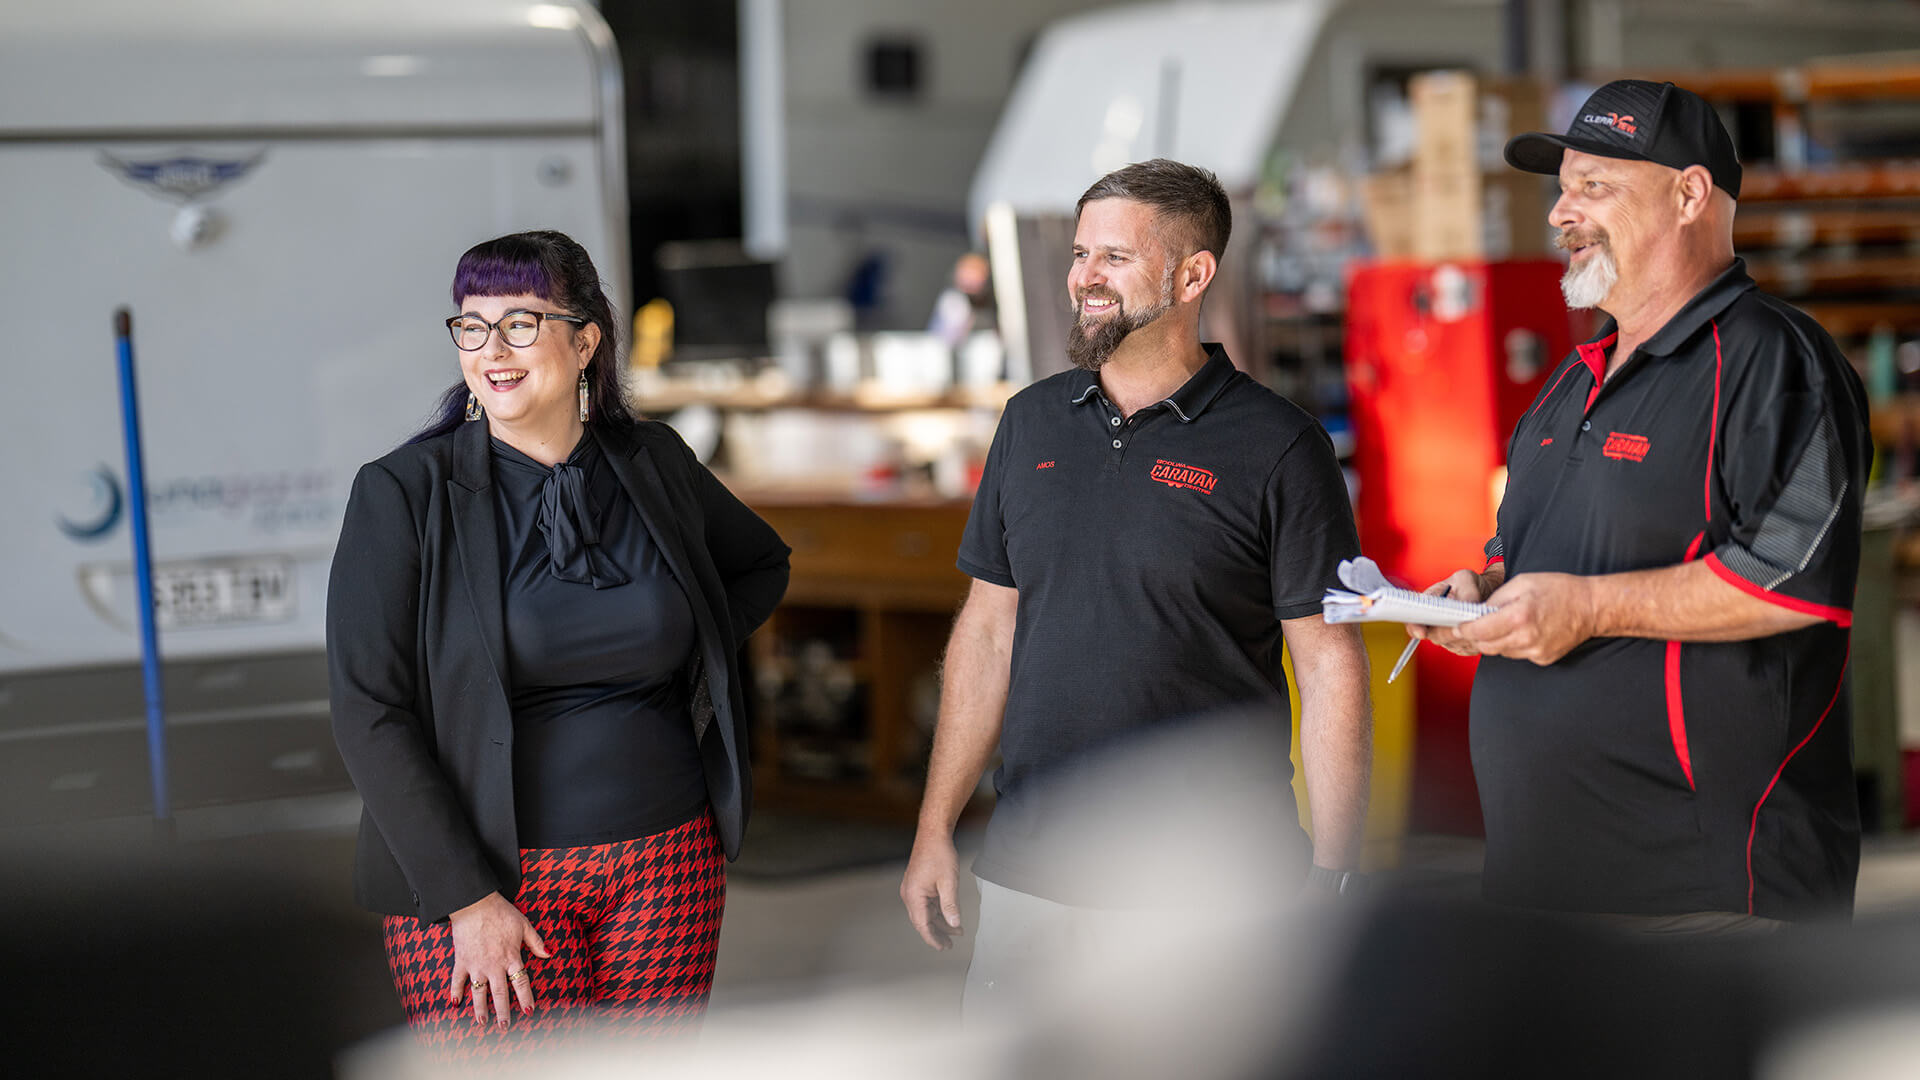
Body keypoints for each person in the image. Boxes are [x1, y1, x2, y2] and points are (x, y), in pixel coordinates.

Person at [898, 159, 1374, 1015]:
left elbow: (1329, 665)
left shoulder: (1279, 447)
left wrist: (1333, 874)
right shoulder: (1030, 421)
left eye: (1114, 258)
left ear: (1193, 276)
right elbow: (988, 632)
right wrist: (937, 826)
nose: (1084, 277)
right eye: (1082, 254)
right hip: (1032, 870)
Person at [1415, 81, 1871, 929]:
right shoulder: (1569, 381)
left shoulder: (1779, 363)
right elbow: (1535, 554)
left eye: (1595, 187)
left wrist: (1584, 609)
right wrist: (1481, 592)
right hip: (1542, 885)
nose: (1561, 213)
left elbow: (1787, 577)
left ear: (1689, 194)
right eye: (1563, 189)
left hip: (1706, 901)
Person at [327, 230, 790, 1055]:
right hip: (488, 879)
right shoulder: (403, 494)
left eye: (519, 323)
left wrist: (692, 654)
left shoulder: (653, 462)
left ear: (585, 342)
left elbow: (761, 564)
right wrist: (467, 899)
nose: (491, 350)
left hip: (667, 863)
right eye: (471, 326)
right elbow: (370, 711)